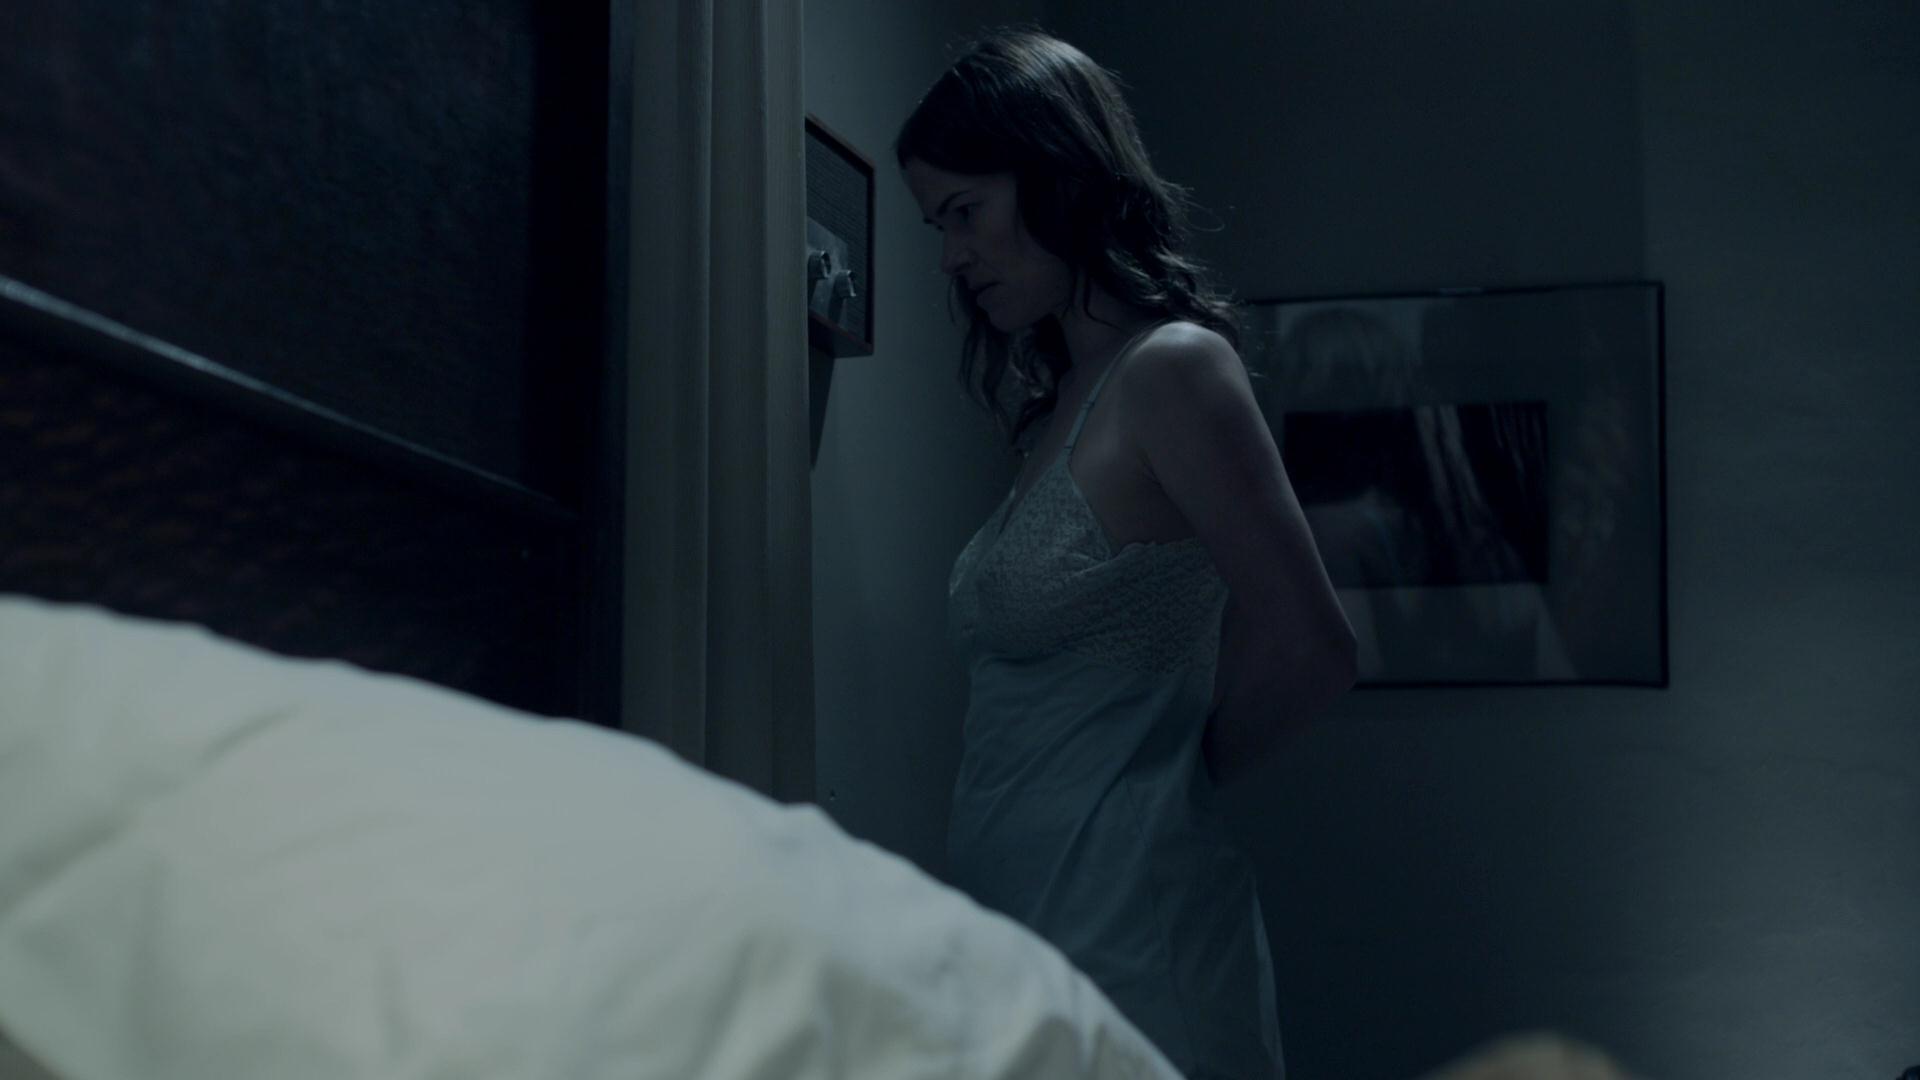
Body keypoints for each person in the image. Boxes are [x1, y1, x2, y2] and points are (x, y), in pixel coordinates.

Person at [895, 26, 1359, 1080]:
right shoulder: (1060, 402)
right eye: (937, 224)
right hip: (1026, 943)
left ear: (1054, 176)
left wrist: (1159, 787)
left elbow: (1314, 648)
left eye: (964, 213)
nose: (951, 257)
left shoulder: (1174, 371)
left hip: (1140, 946)